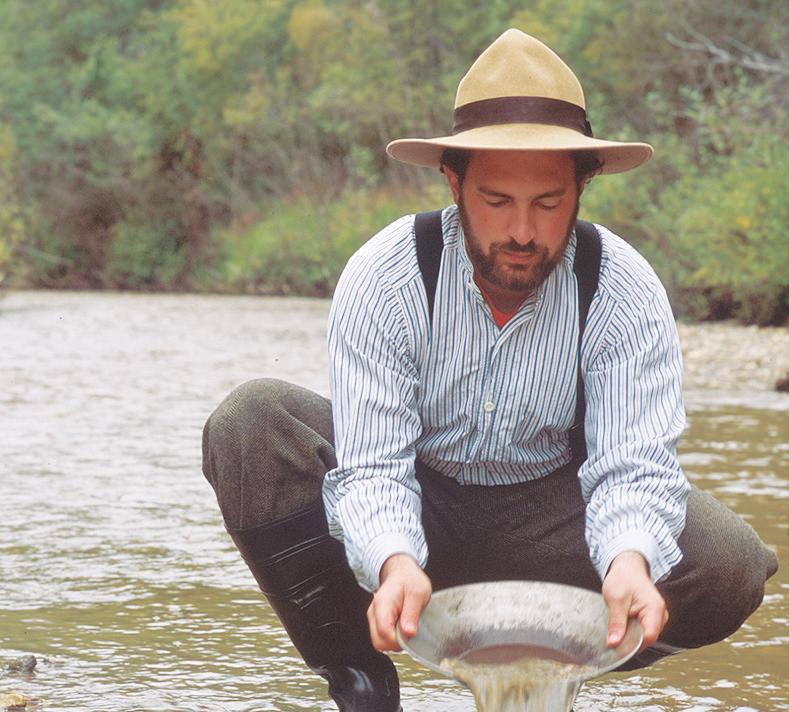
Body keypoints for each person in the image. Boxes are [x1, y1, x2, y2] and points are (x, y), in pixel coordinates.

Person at [202, 29, 778, 711]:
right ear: (454, 182)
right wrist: (393, 561)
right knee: (250, 422)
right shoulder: (383, 277)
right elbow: (373, 467)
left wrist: (628, 561)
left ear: (583, 186)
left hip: (555, 523)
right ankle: (360, 684)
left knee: (731, 564)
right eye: (497, 200)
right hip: (419, 507)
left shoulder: (623, 288)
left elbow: (631, 467)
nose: (522, 232)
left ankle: (550, 667)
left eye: (548, 203)